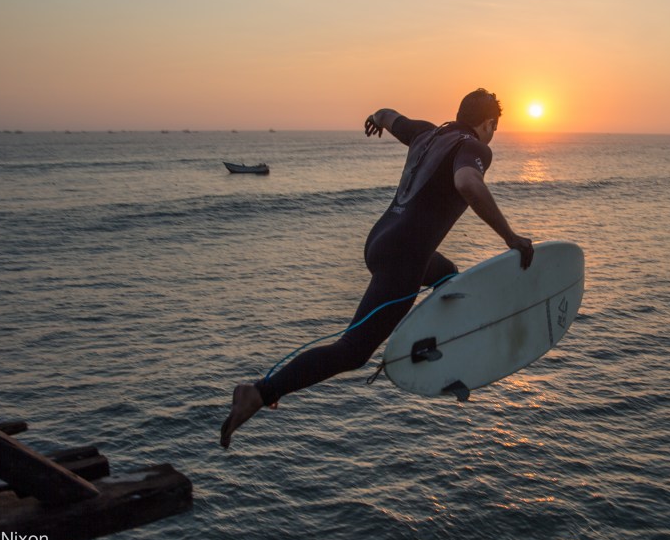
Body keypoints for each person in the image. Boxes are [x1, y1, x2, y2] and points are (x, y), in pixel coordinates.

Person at [220, 88, 534, 448]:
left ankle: (434, 345)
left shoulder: (427, 132)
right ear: (488, 122)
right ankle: (260, 392)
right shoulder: (475, 147)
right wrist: (510, 237)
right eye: (494, 127)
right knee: (353, 351)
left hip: (380, 242)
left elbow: (387, 114)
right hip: (404, 256)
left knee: (448, 276)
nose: (493, 134)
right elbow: (467, 182)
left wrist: (375, 120)